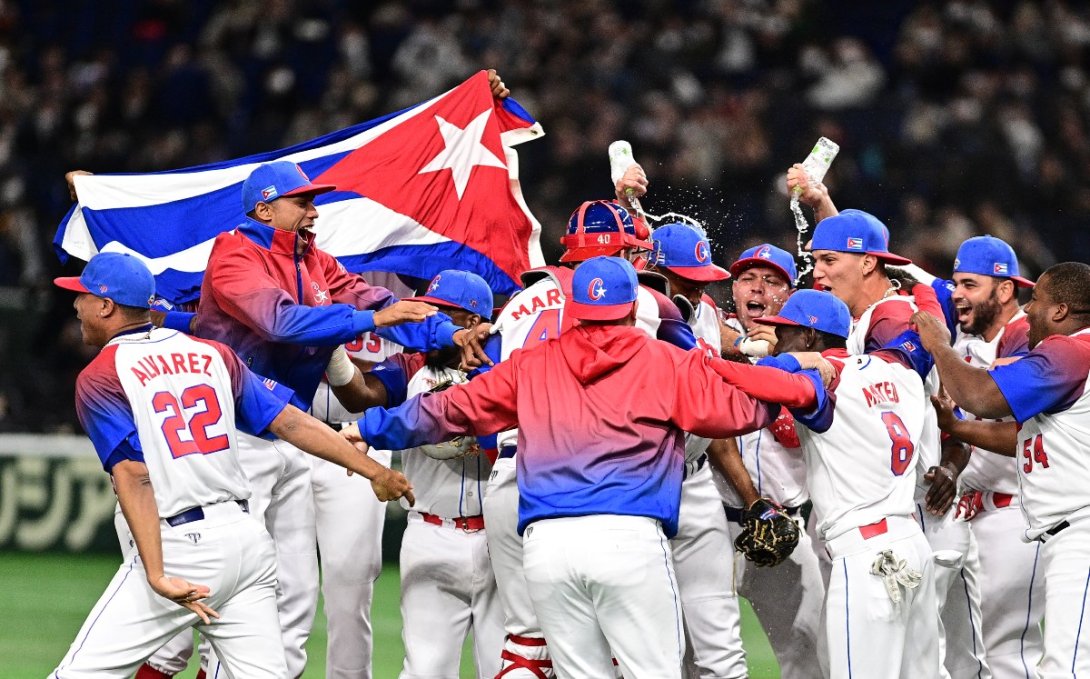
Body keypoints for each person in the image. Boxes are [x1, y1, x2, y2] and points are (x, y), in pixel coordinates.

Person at [342, 256, 825, 679]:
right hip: (628, 539)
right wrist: (785, 375)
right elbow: (741, 412)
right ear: (634, 308)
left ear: (573, 308)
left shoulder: (533, 363)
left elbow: (448, 410)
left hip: (547, 548)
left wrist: (369, 428)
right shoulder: (664, 362)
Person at [50, 252, 413, 678]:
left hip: (180, 541)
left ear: (107, 306)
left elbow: (135, 474)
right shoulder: (212, 354)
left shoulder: (102, 376)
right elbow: (291, 421)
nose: (76, 305)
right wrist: (376, 471)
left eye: (83, 296)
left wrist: (156, 573)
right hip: (245, 544)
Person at [192, 159, 489, 677]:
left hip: (289, 435)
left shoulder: (315, 263)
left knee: (297, 592)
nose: (314, 210)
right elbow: (278, 321)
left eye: (313, 201)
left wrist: (449, 336)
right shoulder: (234, 254)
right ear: (265, 208)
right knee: (239, 591)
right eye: (302, 202)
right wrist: (373, 319)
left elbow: (381, 302)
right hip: (233, 437)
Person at [478, 187, 698, 678]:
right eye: (632, 250)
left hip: (515, 473)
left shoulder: (519, 301)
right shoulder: (648, 303)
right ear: (617, 252)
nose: (640, 259)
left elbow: (488, 387)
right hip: (598, 482)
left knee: (526, 645)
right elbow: (695, 373)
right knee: (624, 650)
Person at [796, 190, 990, 678]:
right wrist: (823, 206)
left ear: (867, 264)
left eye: (828, 260)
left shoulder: (892, 316)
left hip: (910, 511)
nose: (817, 272)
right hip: (903, 513)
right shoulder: (876, 313)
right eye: (816, 259)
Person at [911, 261, 1090, 679]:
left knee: (1067, 669)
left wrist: (940, 345)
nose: (1028, 311)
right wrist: (957, 428)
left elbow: (982, 395)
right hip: (1069, 528)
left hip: (1081, 529)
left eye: (1038, 300)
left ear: (1061, 311)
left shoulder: (1073, 350)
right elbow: (1026, 440)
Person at [749, 289, 940, 678]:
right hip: (910, 540)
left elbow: (764, 386)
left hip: (866, 555)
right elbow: (925, 337)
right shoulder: (897, 369)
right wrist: (923, 288)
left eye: (785, 332)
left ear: (808, 339)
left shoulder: (824, 382)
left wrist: (752, 351)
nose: (776, 339)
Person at [333, 270, 505, 679]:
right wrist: (332, 353)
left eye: (447, 314)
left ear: (474, 323)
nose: (433, 322)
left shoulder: (505, 370)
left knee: (506, 668)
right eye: (431, 312)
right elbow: (362, 394)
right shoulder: (410, 364)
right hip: (430, 531)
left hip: (498, 538)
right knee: (425, 670)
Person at [707, 243, 826, 679]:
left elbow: (790, 431)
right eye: (747, 279)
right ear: (733, 290)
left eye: (772, 281)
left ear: (790, 294)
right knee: (690, 658)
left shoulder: (808, 352)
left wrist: (769, 358)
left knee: (806, 658)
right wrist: (741, 346)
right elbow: (690, 309)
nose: (757, 288)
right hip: (710, 523)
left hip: (785, 529)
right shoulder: (709, 332)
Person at [939, 235, 1043, 676]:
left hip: (1014, 516)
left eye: (969, 284)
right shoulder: (969, 335)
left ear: (1004, 290)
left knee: (1008, 656)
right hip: (970, 515)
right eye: (955, 283)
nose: (957, 294)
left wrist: (956, 429)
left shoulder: (1027, 335)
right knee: (962, 657)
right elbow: (871, 278)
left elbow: (1019, 433)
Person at [650, 222, 749, 678]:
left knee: (722, 647)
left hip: (695, 480)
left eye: (703, 278)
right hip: (640, 485)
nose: (697, 285)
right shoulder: (631, 317)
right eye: (686, 278)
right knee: (646, 651)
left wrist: (752, 500)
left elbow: (714, 423)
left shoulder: (704, 313)